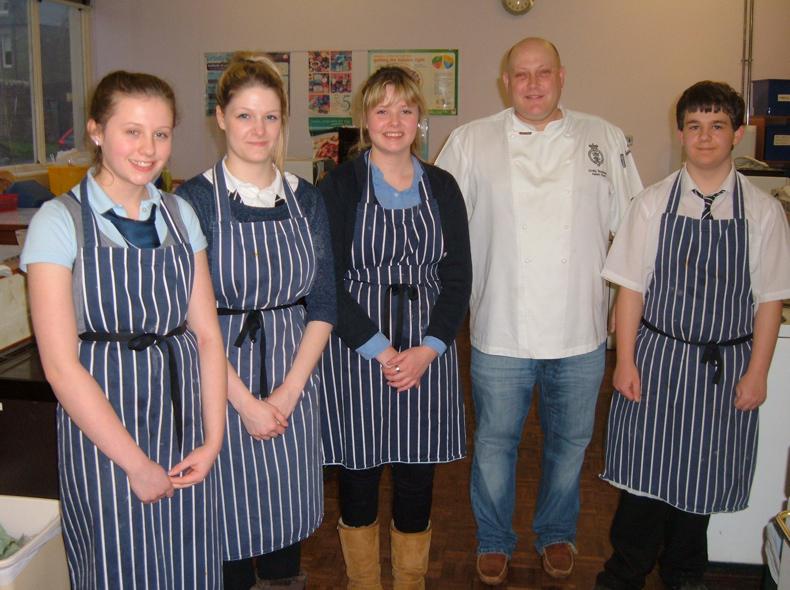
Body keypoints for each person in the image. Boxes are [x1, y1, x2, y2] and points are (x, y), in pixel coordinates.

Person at [435, 37, 644, 584]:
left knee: (570, 444)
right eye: (521, 74)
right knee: (495, 444)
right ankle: (494, 539)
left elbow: (633, 238)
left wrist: (628, 336)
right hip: (500, 328)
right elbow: (439, 233)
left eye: (543, 72)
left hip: (581, 332)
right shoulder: (470, 141)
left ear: (562, 75)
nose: (532, 84)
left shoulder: (604, 138)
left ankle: (556, 532)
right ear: (506, 82)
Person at [21, 71, 227, 588]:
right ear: (96, 131)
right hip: (104, 431)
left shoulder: (180, 213)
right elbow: (61, 366)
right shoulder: (59, 221)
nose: (148, 148)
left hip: (184, 424)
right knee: (118, 567)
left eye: (161, 133)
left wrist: (214, 439)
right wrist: (135, 464)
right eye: (131, 131)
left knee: (191, 566)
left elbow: (206, 335)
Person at [595, 81, 790, 590]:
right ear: (680, 132)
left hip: (723, 372)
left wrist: (758, 373)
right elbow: (630, 293)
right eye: (695, 126)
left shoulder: (765, 214)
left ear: (738, 134)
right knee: (641, 491)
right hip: (656, 363)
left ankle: (683, 578)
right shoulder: (652, 204)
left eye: (718, 126)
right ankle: (625, 576)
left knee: (698, 493)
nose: (705, 137)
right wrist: (624, 361)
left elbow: (769, 300)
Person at [176, 52, 335, 590]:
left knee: (286, 527)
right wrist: (244, 403)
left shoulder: (305, 199)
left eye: (269, 116)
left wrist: (288, 393)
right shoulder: (192, 201)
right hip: (220, 379)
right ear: (220, 117)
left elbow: (325, 304)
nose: (258, 129)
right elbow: (190, 320)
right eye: (244, 115)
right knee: (230, 527)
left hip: (295, 375)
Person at [319, 66, 472, 589]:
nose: (394, 120)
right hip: (359, 349)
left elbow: (458, 277)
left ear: (420, 118)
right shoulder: (338, 185)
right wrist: (384, 352)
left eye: (405, 109)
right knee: (358, 481)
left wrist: (428, 349)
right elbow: (329, 282)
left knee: (416, 480)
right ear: (364, 118)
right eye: (382, 110)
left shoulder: (444, 187)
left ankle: (410, 583)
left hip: (429, 349)